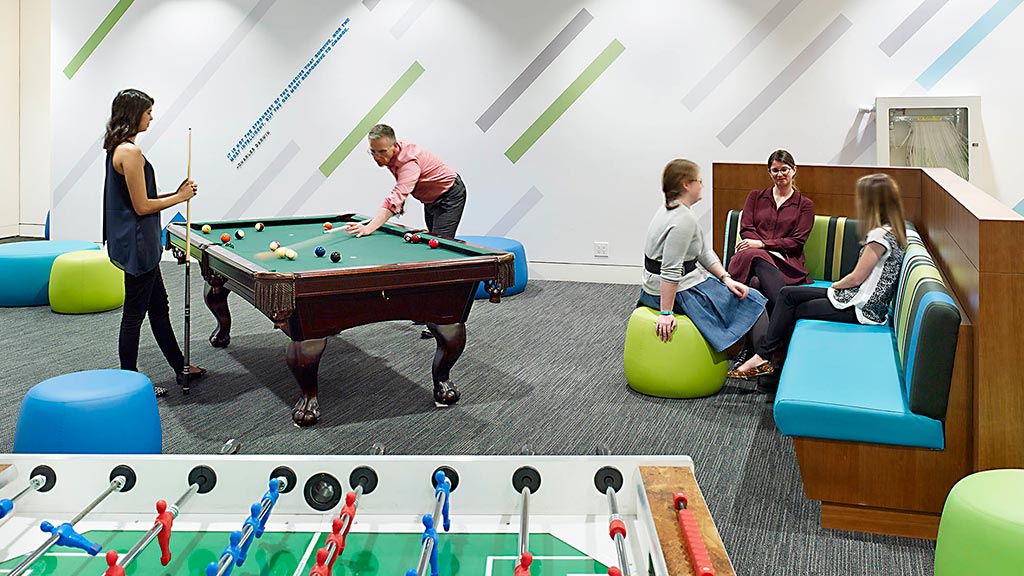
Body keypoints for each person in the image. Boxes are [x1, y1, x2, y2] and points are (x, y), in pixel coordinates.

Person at [728, 173, 908, 380]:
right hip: (858, 300)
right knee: (785, 294)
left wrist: (834, 287)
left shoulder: (879, 236)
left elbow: (856, 278)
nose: (858, 201)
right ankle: (765, 358)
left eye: (861, 197)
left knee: (793, 307)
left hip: (861, 308)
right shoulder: (894, 231)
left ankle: (764, 359)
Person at [102, 88, 204, 397]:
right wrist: (180, 198)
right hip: (138, 244)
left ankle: (180, 365)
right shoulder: (129, 152)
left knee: (159, 307)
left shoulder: (119, 148)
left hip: (136, 242)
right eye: (147, 112)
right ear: (134, 115)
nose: (151, 117)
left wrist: (173, 193)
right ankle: (128, 386)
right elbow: (142, 207)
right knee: (134, 314)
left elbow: (141, 197)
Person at [638, 159, 768, 357]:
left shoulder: (672, 209)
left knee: (740, 292)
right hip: (676, 292)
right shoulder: (682, 220)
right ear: (686, 184)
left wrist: (726, 279)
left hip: (661, 287)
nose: (702, 185)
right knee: (754, 300)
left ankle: (750, 356)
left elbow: (703, 251)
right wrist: (666, 313)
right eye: (699, 180)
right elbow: (670, 270)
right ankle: (762, 362)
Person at [727, 150, 814, 314]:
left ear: (794, 170)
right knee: (755, 280)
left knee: (755, 282)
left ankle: (750, 336)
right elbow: (746, 228)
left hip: (785, 262)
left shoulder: (805, 205)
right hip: (753, 259)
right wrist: (763, 249)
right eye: (775, 170)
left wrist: (762, 245)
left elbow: (797, 241)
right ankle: (782, 324)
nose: (780, 174)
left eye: (784, 169)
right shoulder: (755, 197)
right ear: (769, 173)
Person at [344, 124, 466, 239]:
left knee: (439, 244)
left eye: (382, 151)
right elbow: (403, 185)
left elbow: (395, 198)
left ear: (395, 145)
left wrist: (368, 228)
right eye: (373, 152)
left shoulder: (408, 162)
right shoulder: (391, 155)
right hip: (430, 200)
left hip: (449, 195)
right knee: (433, 238)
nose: (377, 157)